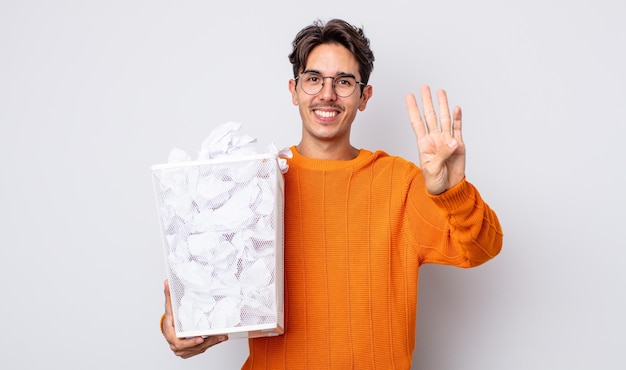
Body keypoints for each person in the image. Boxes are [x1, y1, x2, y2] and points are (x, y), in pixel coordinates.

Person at [160, 18, 503, 369]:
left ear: (364, 96)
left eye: (343, 81)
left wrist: (453, 189)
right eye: (313, 79)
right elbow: (208, 284)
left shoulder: (401, 182)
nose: (327, 94)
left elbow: (480, 249)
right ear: (293, 90)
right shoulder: (252, 182)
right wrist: (178, 326)